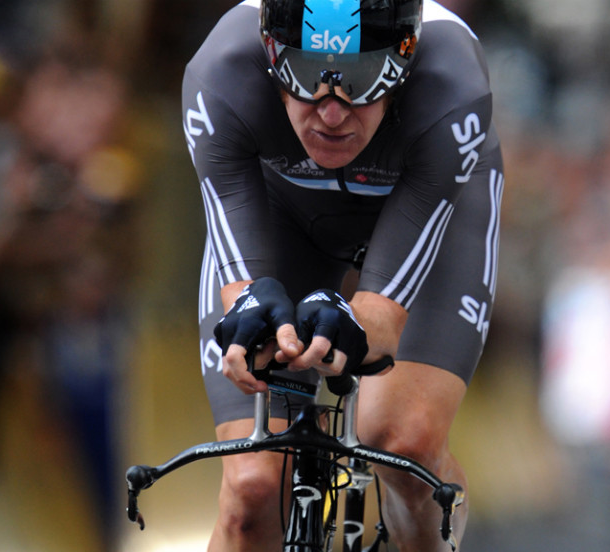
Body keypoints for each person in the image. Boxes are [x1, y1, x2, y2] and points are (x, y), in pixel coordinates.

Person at [182, 1, 503, 549]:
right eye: (307, 77)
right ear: (270, 57)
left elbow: (380, 320)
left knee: (404, 444)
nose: (332, 113)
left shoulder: (451, 84)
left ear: (405, 63)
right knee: (253, 487)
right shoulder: (222, 74)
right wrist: (254, 319)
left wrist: (358, 319)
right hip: (281, 216)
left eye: (363, 79)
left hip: (426, 208)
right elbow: (244, 295)